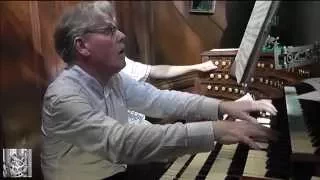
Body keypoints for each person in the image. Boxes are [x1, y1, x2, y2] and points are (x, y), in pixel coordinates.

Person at [40, 1, 278, 180]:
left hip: (118, 171)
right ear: (82, 46)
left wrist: (222, 106)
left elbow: (160, 100)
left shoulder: (113, 79)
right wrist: (215, 130)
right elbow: (120, 143)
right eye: (109, 31)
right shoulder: (63, 96)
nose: (122, 36)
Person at [122, 57, 217, 125]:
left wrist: (196, 67)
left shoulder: (121, 63)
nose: (122, 36)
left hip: (141, 128)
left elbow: (154, 71)